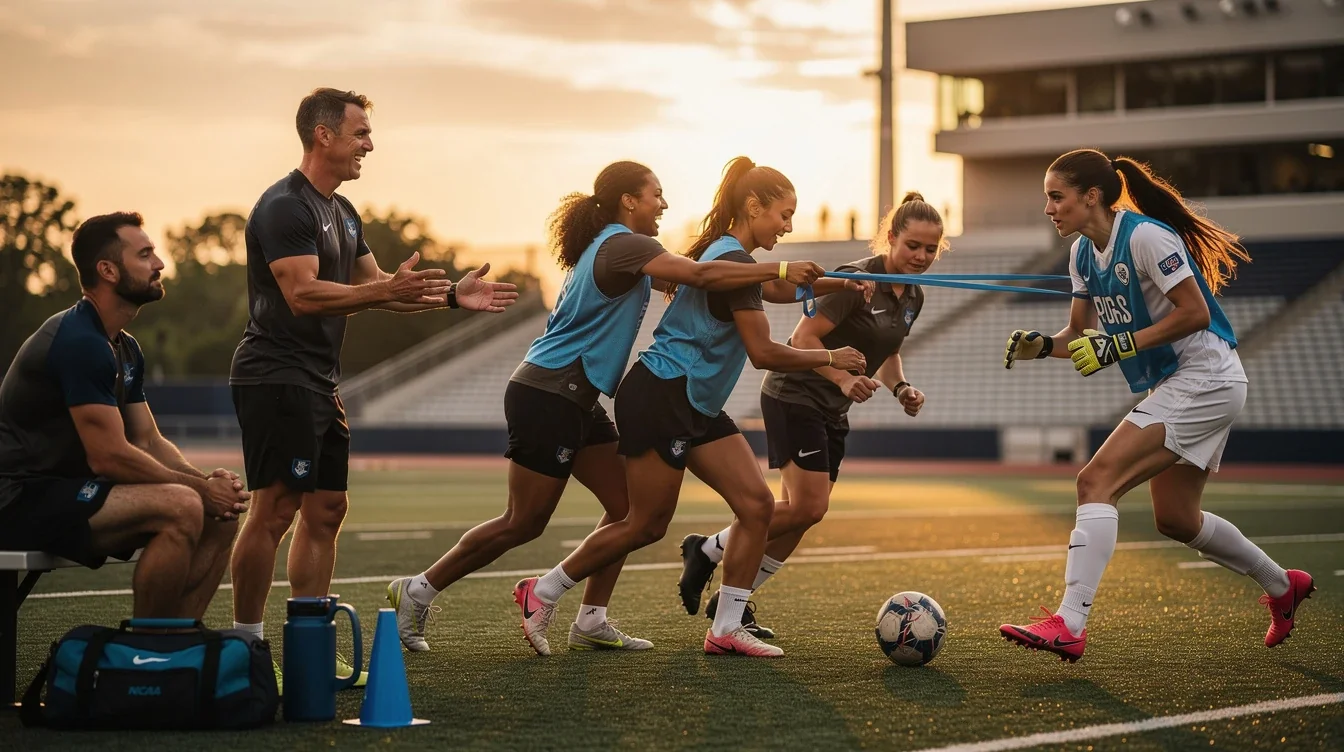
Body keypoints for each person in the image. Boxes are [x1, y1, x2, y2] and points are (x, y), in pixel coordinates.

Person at [386, 161, 833, 655]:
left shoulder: (628, 249)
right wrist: (783, 267)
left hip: (578, 394)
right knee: (524, 521)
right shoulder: (626, 244)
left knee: (626, 510)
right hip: (550, 391)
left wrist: (840, 281)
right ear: (628, 201)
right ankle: (420, 589)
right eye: (655, 195)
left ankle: (591, 618)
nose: (663, 204)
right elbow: (706, 274)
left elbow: (729, 280)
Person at [511, 156, 867, 658]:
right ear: (752, 206)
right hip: (664, 392)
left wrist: (842, 282)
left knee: (756, 506)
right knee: (644, 523)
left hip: (692, 398)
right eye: (783, 215)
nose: (788, 227)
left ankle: (724, 630)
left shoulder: (732, 255)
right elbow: (765, 353)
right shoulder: (736, 261)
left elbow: (781, 288)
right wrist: (831, 356)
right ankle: (543, 590)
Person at [227, 88, 518, 680]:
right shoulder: (286, 206)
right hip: (275, 374)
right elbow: (302, 294)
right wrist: (383, 292)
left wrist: (451, 299)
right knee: (275, 509)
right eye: (360, 133)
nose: (370, 144)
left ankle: (307, 639)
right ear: (323, 136)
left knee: (327, 508)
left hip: (316, 380)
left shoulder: (344, 211)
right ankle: (247, 647)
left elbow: (384, 287)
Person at [997, 148, 1313, 663]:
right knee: (1177, 519)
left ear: (1091, 196)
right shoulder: (1081, 254)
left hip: (1206, 377)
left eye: (1057, 197)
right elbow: (1078, 334)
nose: (1049, 208)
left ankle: (1070, 623)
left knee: (1094, 482)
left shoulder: (1145, 237)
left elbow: (1193, 313)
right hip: (1185, 382)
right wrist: (1042, 346)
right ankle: (1283, 587)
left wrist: (1118, 345)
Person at [678, 191, 943, 639]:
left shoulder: (913, 296)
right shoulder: (858, 281)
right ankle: (708, 549)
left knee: (804, 515)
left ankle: (731, 603)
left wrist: (901, 387)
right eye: (912, 246)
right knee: (808, 505)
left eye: (931, 249)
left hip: (832, 408)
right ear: (892, 238)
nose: (921, 256)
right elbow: (802, 339)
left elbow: (888, 350)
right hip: (795, 394)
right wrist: (841, 380)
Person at [0, 212, 249, 619]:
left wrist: (207, 485)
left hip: (63, 492)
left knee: (219, 517)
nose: (159, 264)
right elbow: (109, 457)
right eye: (145, 254)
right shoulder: (80, 341)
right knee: (184, 505)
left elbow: (148, 440)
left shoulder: (124, 346)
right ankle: (145, 657)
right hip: (17, 498)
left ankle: (176, 646)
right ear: (108, 270)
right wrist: (198, 491)